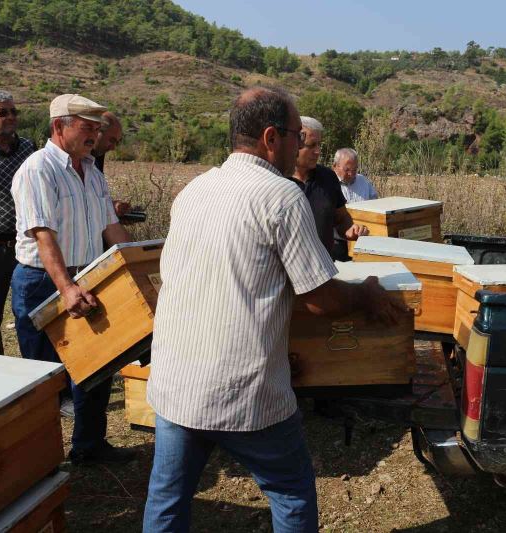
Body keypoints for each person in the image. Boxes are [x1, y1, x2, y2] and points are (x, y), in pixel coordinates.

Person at [142, 87, 404, 533]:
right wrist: (369, 293)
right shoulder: (281, 197)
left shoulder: (193, 190)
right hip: (243, 390)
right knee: (291, 493)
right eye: (295, 135)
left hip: (174, 383)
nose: (301, 145)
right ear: (270, 137)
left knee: (166, 501)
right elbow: (320, 298)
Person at [10, 94, 135, 465]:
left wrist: (136, 267)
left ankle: (89, 447)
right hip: (42, 281)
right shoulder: (38, 169)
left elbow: (111, 228)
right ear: (59, 126)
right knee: (45, 375)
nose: (94, 135)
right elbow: (43, 235)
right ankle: (39, 461)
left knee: (98, 366)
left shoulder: (92, 171)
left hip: (88, 274)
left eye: (97, 128)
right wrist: (66, 287)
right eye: (87, 127)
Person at [0, 90, 35, 354]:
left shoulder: (28, 148)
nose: (11, 117)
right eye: (3, 112)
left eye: (14, 111)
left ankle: (39, 377)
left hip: (28, 244)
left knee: (35, 313)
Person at [292, 116, 368, 261]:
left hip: (325, 269)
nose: (318, 151)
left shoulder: (328, 177)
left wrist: (350, 229)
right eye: (312, 145)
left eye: (319, 145)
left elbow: (341, 218)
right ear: (294, 144)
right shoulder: (276, 179)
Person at [331, 147, 378, 260]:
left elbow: (376, 206)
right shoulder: (328, 184)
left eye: (355, 169)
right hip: (338, 243)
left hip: (365, 240)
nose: (351, 174)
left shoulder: (363, 181)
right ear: (335, 166)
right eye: (347, 170)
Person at [92, 111, 132, 219]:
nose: (113, 148)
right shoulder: (75, 159)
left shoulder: (97, 155)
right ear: (97, 131)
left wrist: (113, 207)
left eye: (116, 142)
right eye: (111, 140)